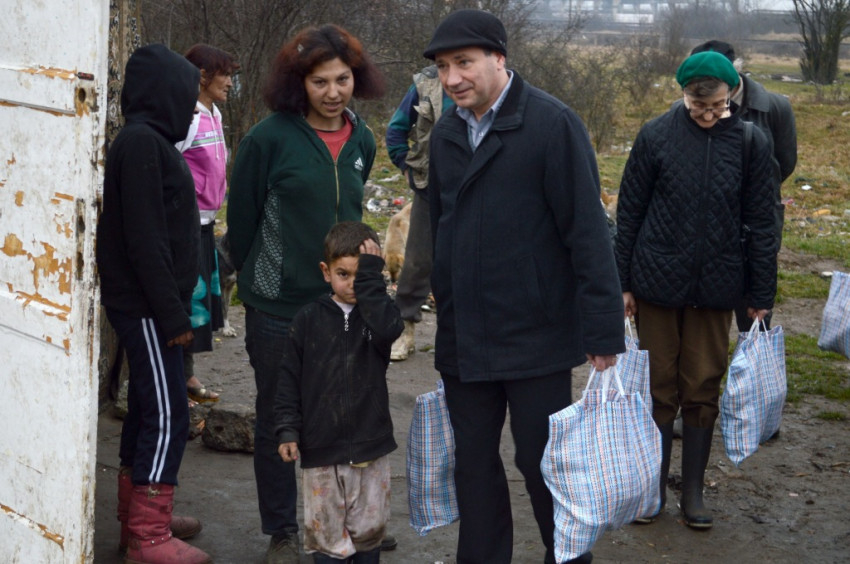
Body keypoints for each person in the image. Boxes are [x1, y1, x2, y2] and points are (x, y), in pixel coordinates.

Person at [424, 10, 625, 564]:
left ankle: (567, 557)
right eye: (442, 67)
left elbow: (587, 233)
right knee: (473, 466)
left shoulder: (551, 124)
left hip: (535, 334)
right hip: (465, 336)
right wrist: (435, 298)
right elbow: (438, 224)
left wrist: (603, 330)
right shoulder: (446, 133)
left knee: (543, 464)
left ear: (499, 58)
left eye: (463, 63)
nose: (452, 78)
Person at [225, 24, 391, 563]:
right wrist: (260, 280)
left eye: (342, 79)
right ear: (299, 83)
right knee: (281, 416)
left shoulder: (363, 138)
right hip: (279, 307)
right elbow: (242, 224)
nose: (333, 92)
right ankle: (282, 530)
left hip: (344, 305)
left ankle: (353, 521)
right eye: (320, 82)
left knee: (348, 410)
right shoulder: (267, 140)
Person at [615, 51, 778, 529]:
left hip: (718, 285)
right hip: (656, 283)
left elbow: (762, 221)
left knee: (703, 384)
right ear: (683, 94)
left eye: (717, 106)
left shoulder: (750, 142)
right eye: (697, 105)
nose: (707, 115)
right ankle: (652, 490)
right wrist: (622, 284)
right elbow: (629, 214)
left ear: (731, 97)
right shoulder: (655, 135)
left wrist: (760, 293)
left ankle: (692, 493)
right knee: (657, 386)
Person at [96, 44, 210, 563]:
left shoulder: (150, 142)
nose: (192, 109)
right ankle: (149, 534)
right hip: (147, 308)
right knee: (168, 414)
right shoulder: (142, 143)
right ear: (164, 94)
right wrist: (172, 315)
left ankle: (138, 517)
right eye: (187, 97)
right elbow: (145, 240)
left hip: (151, 305)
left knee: (147, 407)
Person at [274, 222, 404, 563]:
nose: (352, 284)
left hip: (371, 447)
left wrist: (374, 283)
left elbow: (391, 329)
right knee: (327, 538)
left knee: (369, 534)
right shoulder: (307, 320)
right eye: (343, 274)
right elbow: (288, 380)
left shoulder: (376, 318)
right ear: (326, 271)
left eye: (362, 276)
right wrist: (287, 429)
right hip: (321, 452)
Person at [688, 40, 797, 333]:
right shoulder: (686, 109)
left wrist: (752, 193)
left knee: (754, 311)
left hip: (757, 224)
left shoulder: (774, 107)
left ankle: (753, 360)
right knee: (704, 316)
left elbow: (784, 163)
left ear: (733, 72)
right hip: (705, 226)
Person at [176, 43, 241, 405]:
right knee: (184, 304)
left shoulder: (213, 114)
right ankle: (176, 379)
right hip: (185, 226)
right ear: (202, 76)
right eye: (225, 75)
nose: (230, 83)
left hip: (206, 225)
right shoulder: (185, 118)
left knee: (197, 306)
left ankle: (185, 375)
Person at [384, 65, 454, 361]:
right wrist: (406, 167)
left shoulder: (493, 86)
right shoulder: (426, 85)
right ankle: (405, 331)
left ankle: (467, 334)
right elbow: (396, 130)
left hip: (481, 189)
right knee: (417, 260)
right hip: (430, 187)